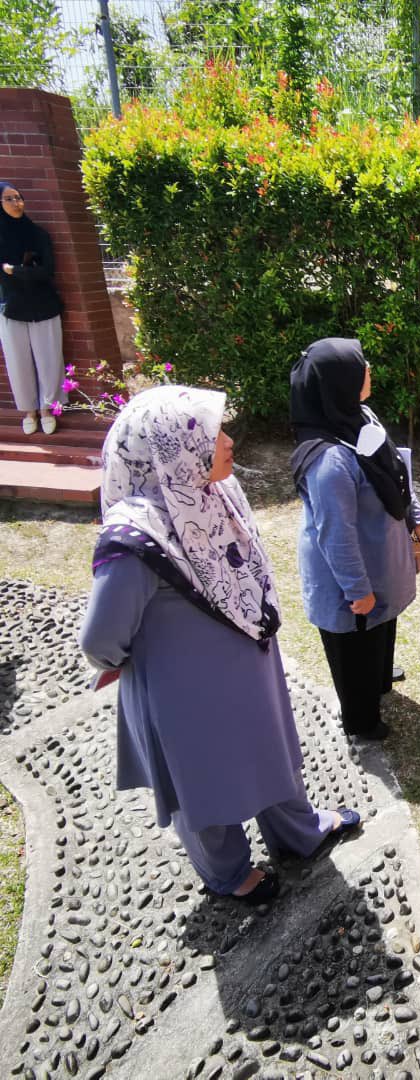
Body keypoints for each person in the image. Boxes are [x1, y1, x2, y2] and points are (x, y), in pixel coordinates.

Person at [79, 386, 358, 906]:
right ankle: (228, 872)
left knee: (272, 754)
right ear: (169, 451)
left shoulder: (213, 491)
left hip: (249, 666)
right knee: (201, 783)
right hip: (185, 695)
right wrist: (115, 661)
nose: (228, 441)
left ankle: (299, 831)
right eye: (212, 435)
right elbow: (100, 637)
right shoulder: (134, 538)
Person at [290, 338, 420, 742]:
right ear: (338, 382)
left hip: (378, 555)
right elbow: (335, 534)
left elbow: (394, 467)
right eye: (360, 365)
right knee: (355, 638)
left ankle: (379, 678)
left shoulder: (360, 416)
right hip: (349, 573)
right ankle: (362, 721)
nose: (369, 369)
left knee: (379, 626)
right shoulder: (328, 460)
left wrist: (416, 518)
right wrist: (356, 589)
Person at [0, 181, 64, 436]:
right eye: (9, 199)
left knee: (49, 359)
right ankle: (29, 411)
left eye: (18, 197)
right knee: (18, 362)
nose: (16, 203)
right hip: (11, 307)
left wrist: (15, 271)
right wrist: (24, 273)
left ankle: (48, 409)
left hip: (43, 304)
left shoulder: (38, 234)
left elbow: (47, 271)